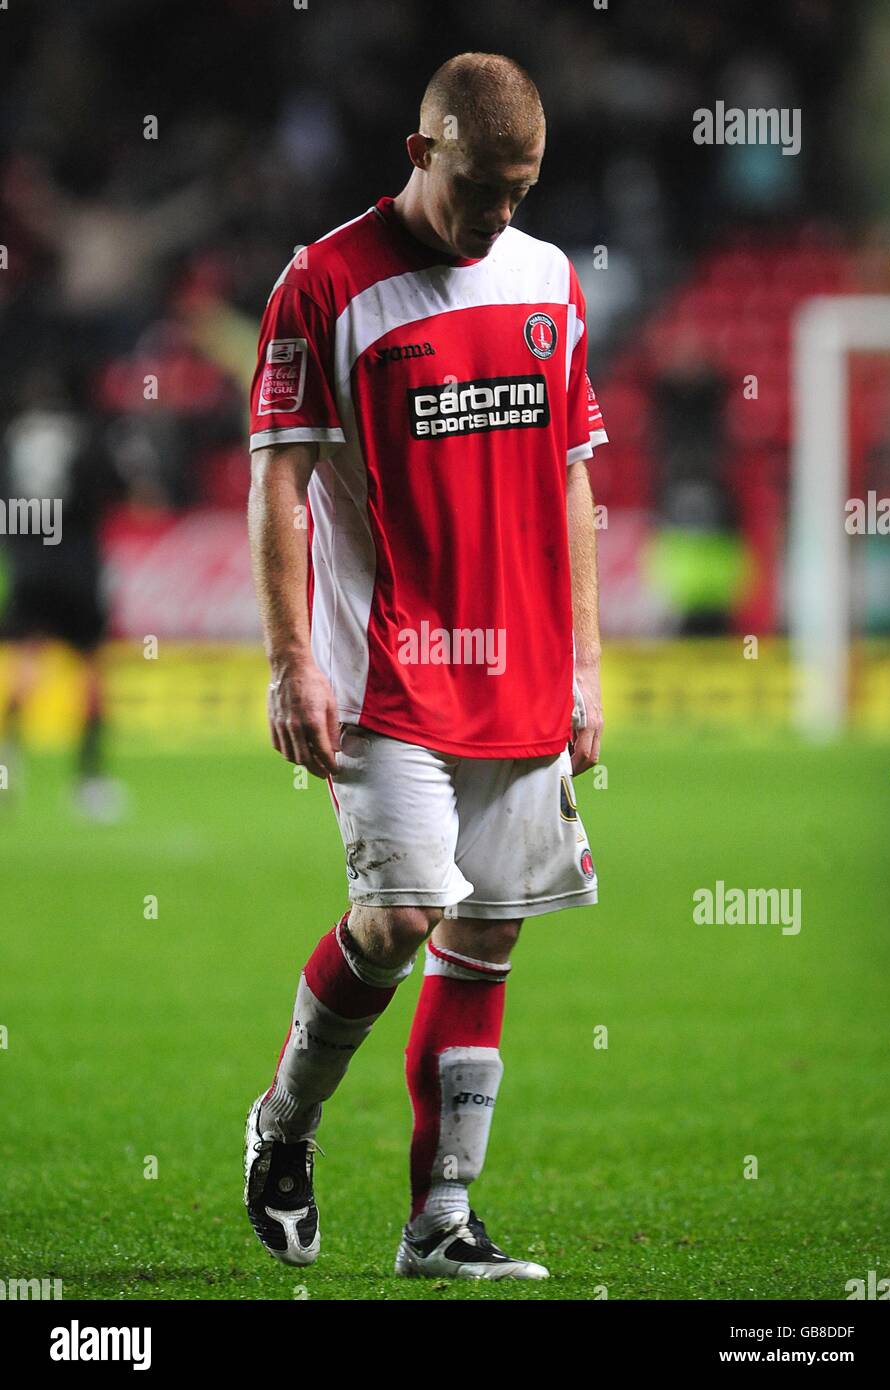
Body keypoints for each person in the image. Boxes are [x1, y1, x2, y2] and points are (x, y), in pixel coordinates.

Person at [244, 52, 607, 1280]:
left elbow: (572, 476)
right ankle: (284, 1125)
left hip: (523, 677)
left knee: (488, 938)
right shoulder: (324, 283)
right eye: (480, 187)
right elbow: (278, 478)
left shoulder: (548, 278)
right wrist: (292, 660)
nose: (499, 213)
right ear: (419, 155)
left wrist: (588, 667)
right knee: (401, 917)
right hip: (388, 676)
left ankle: (439, 1223)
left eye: (521, 188)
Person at [0, 366, 126, 820]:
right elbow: (115, 489)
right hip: (76, 563)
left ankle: (6, 765)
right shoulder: (86, 434)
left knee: (25, 662)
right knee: (91, 668)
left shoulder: (14, 436)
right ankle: (90, 781)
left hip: (30, 563)